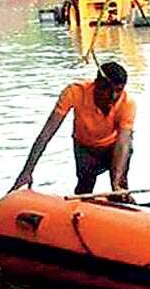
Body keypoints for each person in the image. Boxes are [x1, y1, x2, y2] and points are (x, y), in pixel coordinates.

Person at [10, 62, 135, 196]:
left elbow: (123, 143)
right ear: (97, 86)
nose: (114, 97)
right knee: (84, 188)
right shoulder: (75, 92)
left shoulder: (127, 103)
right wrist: (27, 171)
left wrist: (116, 182)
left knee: (120, 189)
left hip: (113, 147)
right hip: (85, 148)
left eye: (118, 90)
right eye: (108, 91)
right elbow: (46, 134)